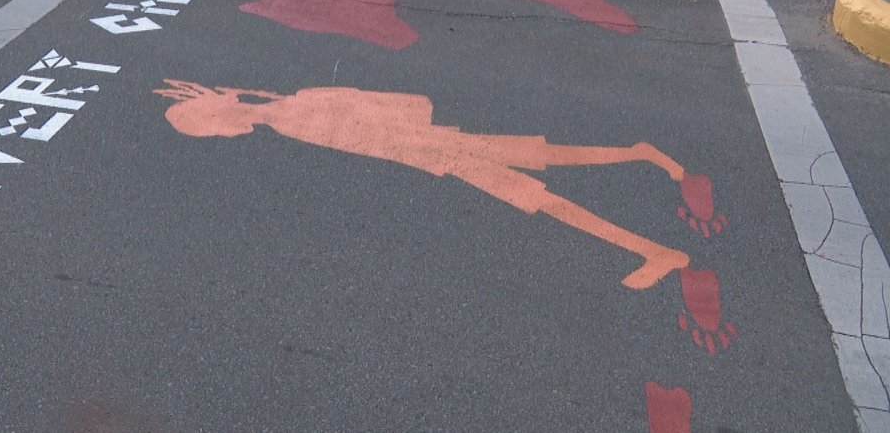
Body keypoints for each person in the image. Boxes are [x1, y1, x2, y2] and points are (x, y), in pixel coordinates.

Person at [155, 79, 725, 292]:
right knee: (548, 176)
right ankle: (648, 193)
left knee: (545, 195)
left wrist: (419, 141)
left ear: (221, 120)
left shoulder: (289, 110)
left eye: (208, 128)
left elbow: (373, 113)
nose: (217, 136)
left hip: (438, 149)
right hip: (432, 154)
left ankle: (654, 232)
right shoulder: (282, 110)